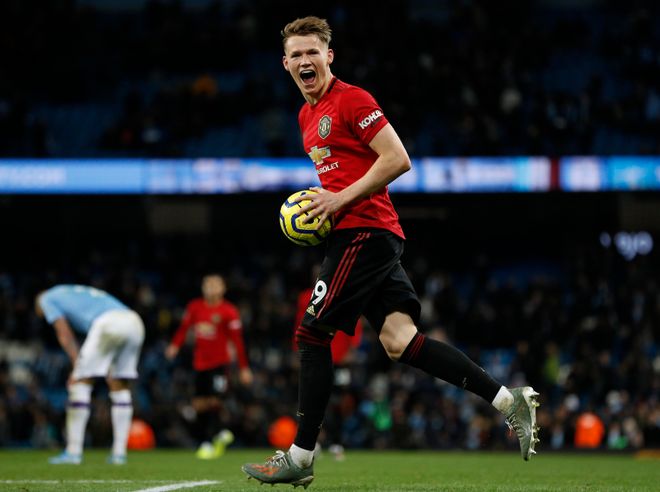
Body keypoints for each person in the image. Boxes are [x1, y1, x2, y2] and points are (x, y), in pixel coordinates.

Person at [242, 16, 540, 488]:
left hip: (363, 230)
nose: (305, 60)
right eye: (296, 54)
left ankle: (300, 457)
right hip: (362, 233)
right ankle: (509, 401)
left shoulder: (352, 100)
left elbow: (398, 158)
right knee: (400, 341)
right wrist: (327, 206)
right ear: (285, 64)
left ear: (329, 56)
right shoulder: (305, 116)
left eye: (313, 51)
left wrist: (337, 201)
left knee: (312, 335)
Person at [35, 284, 145, 465]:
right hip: (134, 322)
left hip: (109, 322)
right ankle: (119, 454)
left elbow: (64, 333)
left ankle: (73, 452)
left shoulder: (46, 298)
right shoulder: (69, 290)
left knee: (79, 383)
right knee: (119, 386)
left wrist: (76, 364)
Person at [165, 273, 253, 459]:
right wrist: (174, 345)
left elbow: (237, 341)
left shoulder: (229, 311)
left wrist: (244, 368)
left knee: (215, 400)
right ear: (203, 288)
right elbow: (184, 328)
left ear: (223, 289)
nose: (211, 288)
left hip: (220, 364)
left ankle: (209, 439)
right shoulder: (195, 307)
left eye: (215, 285)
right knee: (198, 404)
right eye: (208, 285)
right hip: (200, 364)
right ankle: (217, 434)